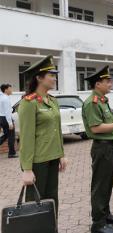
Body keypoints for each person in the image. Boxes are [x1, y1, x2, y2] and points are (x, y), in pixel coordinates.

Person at [82, 66, 113, 233]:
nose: (111, 84)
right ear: (98, 84)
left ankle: (105, 214)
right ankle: (98, 224)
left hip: (109, 147)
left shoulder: (103, 101)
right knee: (100, 185)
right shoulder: (92, 102)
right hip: (102, 148)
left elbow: (105, 122)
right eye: (107, 81)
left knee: (107, 183)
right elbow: (96, 128)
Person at [18, 55, 68, 216]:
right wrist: (26, 169)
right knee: (35, 204)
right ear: (39, 78)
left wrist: (61, 155)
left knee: (52, 200)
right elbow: (26, 137)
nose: (54, 78)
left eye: (55, 75)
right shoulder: (28, 102)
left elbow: (57, 130)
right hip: (38, 162)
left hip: (53, 158)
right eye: (51, 75)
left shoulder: (53, 101)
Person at [0, 84, 17, 158]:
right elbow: (7, 112)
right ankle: (11, 153)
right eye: (10, 88)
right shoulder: (5, 99)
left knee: (6, 135)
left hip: (2, 118)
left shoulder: (1, 97)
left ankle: (12, 152)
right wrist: (10, 123)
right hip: (6, 118)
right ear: (6, 90)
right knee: (11, 136)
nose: (11, 90)